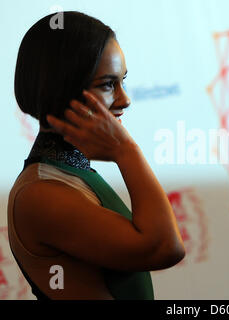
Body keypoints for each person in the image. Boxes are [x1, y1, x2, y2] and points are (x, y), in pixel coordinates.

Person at [8, 11, 185, 300]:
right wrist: (126, 152)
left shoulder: (68, 173)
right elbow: (165, 247)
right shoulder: (40, 193)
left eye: (122, 81)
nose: (124, 99)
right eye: (107, 84)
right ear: (61, 90)